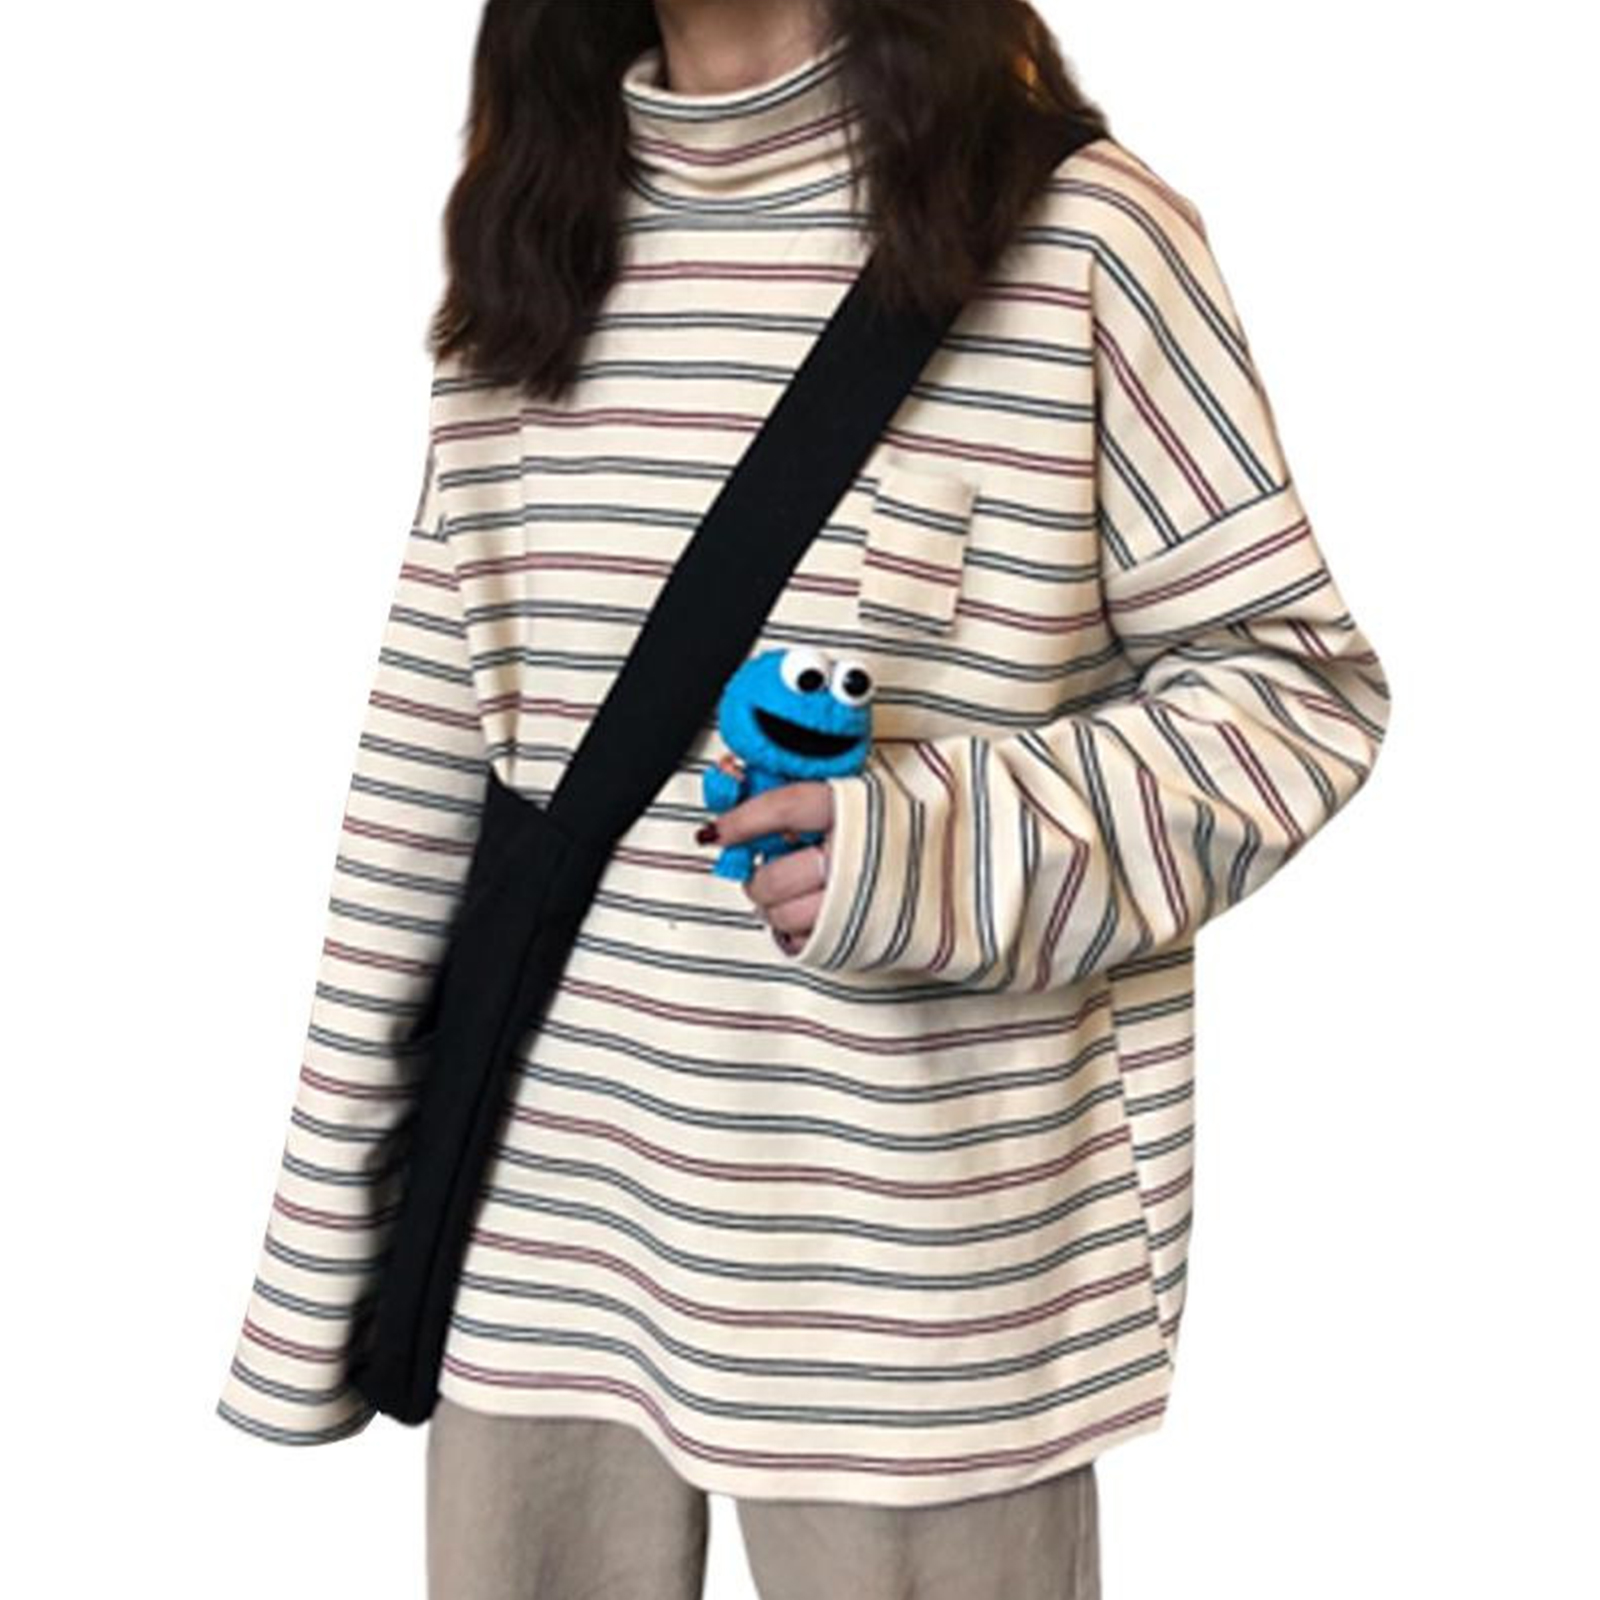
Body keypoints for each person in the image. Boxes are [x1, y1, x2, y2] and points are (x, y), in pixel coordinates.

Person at [215, 1, 1393, 1595]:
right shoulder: (533, 238)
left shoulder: (1082, 238)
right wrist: (323, 1264)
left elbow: (1293, 695)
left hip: (918, 1290)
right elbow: (433, 772)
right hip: (540, 1248)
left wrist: (927, 850)